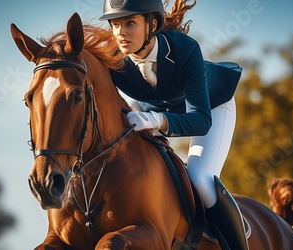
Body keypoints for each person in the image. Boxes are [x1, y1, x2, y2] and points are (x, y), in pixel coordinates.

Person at [99, 0, 248, 249]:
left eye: (130, 23)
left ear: (152, 24)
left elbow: (200, 121)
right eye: (115, 25)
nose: (121, 33)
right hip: (155, 110)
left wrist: (157, 120)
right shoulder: (112, 58)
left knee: (200, 178)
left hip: (211, 106)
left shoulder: (184, 49)